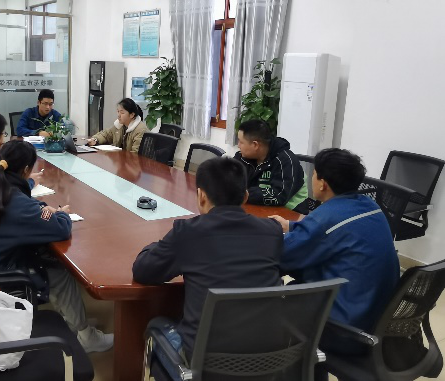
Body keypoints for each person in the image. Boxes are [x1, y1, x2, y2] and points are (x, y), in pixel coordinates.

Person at [132, 157, 283, 377]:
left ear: (201, 196)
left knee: (157, 324)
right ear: (245, 196)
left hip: (206, 366)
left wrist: (158, 245)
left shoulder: (189, 233)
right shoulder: (272, 231)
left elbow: (143, 271)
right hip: (268, 358)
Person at [0, 140, 114, 353]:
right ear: (25, 170)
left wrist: (41, 209)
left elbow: (29, 209)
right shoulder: (12, 201)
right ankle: (86, 335)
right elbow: (60, 228)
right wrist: (61, 214)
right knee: (58, 270)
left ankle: (73, 322)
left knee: (48, 259)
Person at [270, 148, 399, 366]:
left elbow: (282, 256)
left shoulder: (327, 217)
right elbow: (331, 233)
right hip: (376, 320)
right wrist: (291, 226)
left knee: (270, 304)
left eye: (314, 174)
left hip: (345, 330)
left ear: (322, 183)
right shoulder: (370, 205)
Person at [234, 119, 308, 212]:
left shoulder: (286, 161)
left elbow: (279, 195)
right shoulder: (242, 158)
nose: (238, 145)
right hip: (257, 210)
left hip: (289, 214)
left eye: (241, 142)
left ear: (255, 145)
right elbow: (228, 180)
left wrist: (244, 194)